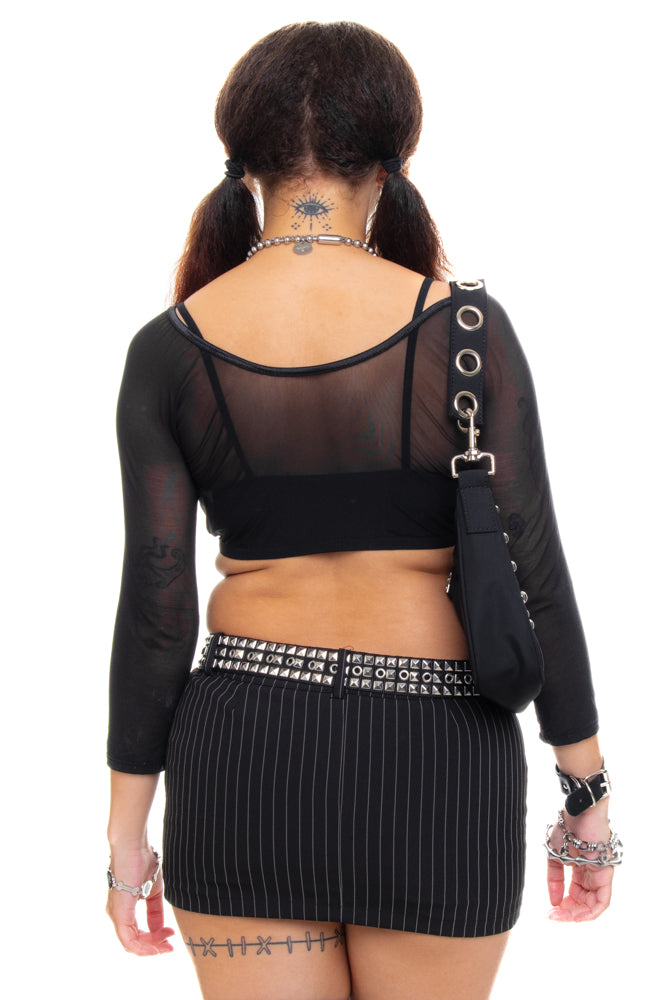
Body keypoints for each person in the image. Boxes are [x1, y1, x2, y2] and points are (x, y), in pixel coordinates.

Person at [106, 21, 618, 1000]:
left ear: (243, 159)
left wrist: (127, 833)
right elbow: (533, 572)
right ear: (394, 156)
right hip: (439, 761)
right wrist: (584, 790)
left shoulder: (169, 347)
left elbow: (157, 612)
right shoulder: (465, 327)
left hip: (245, 758)